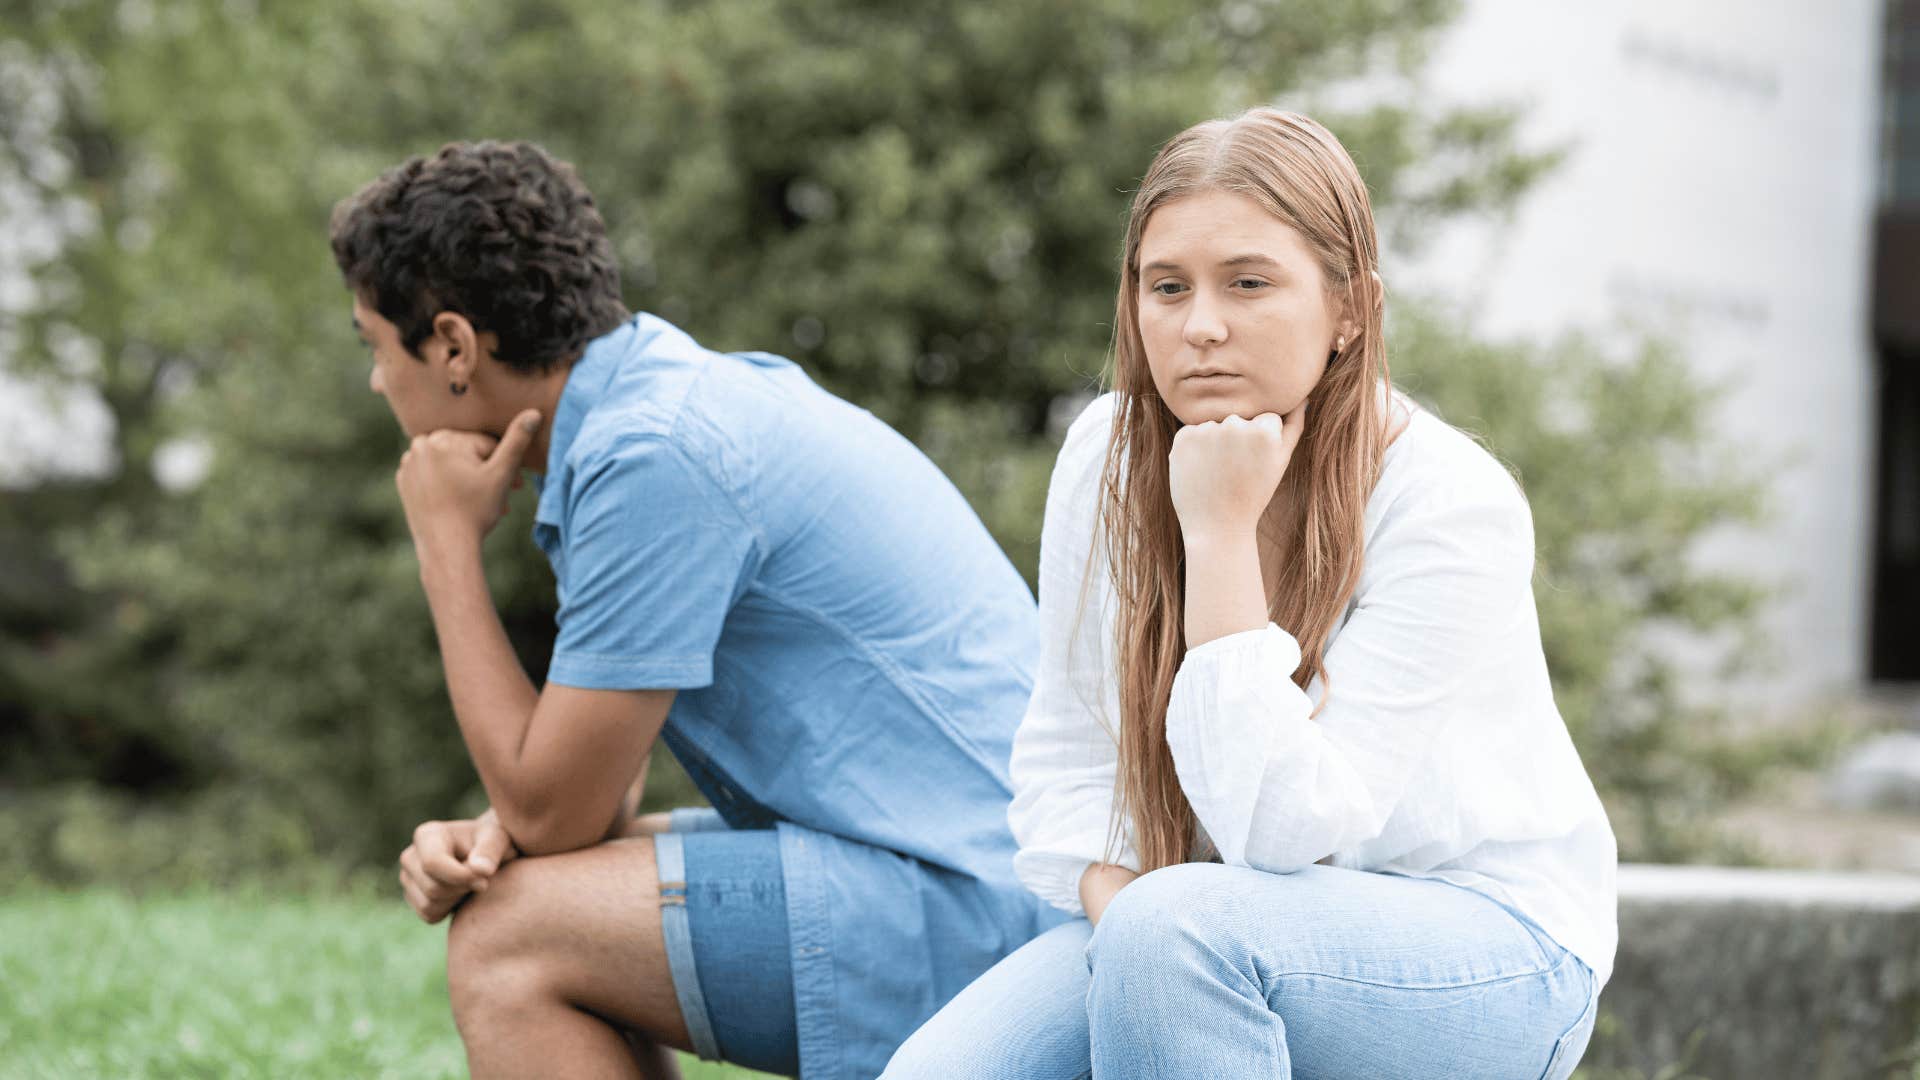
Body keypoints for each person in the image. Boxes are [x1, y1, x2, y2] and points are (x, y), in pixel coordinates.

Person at [883, 107, 1618, 1079]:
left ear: (1350, 307)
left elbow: (1286, 832)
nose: (1201, 327)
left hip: (1489, 947)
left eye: (1249, 283)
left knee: (1178, 934)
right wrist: (1128, 908)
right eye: (1167, 287)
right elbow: (1065, 756)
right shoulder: (1103, 456)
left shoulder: (1448, 502)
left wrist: (1221, 536)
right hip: (1194, 921)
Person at [329, 140, 1057, 1080]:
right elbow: (580, 799)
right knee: (529, 887)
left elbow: (556, 810)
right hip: (984, 877)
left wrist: (445, 550)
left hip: (981, 906)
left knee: (510, 936)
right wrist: (495, 834)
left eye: (377, 349)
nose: (380, 381)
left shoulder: (653, 456)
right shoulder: (651, 410)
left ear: (455, 346)